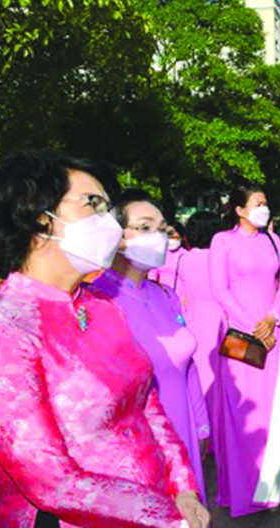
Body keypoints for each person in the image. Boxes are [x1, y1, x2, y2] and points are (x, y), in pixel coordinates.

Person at [0, 151, 209, 526]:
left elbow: (147, 405)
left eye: (107, 208)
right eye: (92, 203)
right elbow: (49, 479)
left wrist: (184, 490)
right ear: (39, 216)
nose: (108, 223)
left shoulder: (103, 306)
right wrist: (165, 517)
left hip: (159, 508)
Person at [91, 191, 210, 502]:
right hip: (137, 443)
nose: (157, 237)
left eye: (161, 228)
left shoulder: (165, 295)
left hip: (184, 431)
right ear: (116, 237)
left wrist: (201, 426)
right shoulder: (96, 299)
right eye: (144, 227)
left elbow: (189, 368)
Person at [209, 185, 280, 516]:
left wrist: (273, 317)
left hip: (274, 333)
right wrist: (254, 327)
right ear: (239, 209)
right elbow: (220, 290)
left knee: (277, 407)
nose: (265, 207)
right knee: (242, 411)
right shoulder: (223, 241)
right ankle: (244, 489)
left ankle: (277, 487)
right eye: (258, 203)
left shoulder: (273, 240)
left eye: (266, 202)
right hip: (241, 336)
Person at [177, 211, 226, 435]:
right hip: (220, 320)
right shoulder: (222, 258)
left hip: (193, 321)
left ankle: (202, 429)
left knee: (199, 377)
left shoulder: (184, 259)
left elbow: (181, 294)